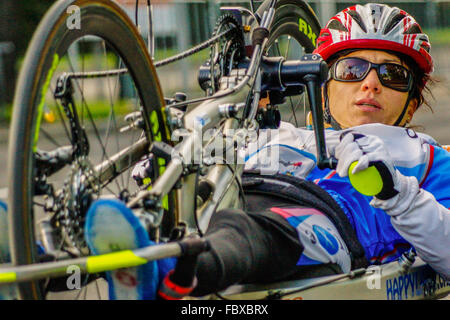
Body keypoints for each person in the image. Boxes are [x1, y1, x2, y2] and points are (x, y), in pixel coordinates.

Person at [1, 3, 449, 300]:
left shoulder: (428, 159)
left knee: (252, 226)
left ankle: (175, 275)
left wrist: (396, 193)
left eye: (392, 74)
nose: (370, 83)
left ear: (411, 100)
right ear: (322, 83)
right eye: (352, 69)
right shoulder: (281, 133)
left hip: (316, 222)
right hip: (230, 192)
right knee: (148, 205)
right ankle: (36, 256)